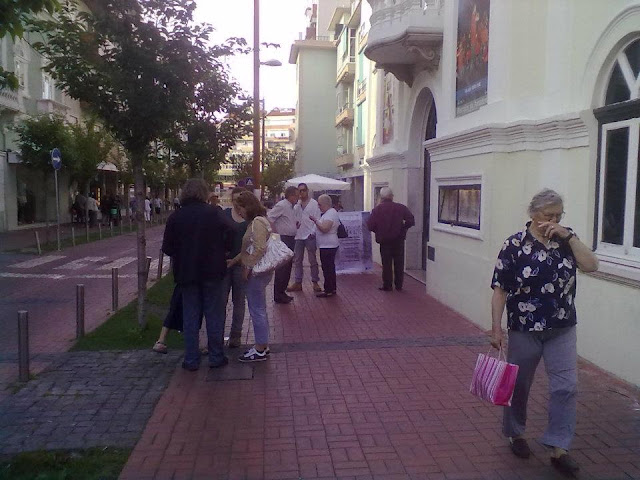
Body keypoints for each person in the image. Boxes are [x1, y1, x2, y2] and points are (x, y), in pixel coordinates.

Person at [490, 188, 599, 477]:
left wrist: (569, 236)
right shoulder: (514, 245)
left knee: (566, 386)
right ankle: (515, 433)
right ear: (532, 214)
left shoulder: (566, 241)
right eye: (548, 215)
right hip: (524, 328)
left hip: (562, 327)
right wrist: (496, 328)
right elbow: (500, 290)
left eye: (558, 216)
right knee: (519, 385)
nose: (553, 221)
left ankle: (559, 446)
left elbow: (592, 266)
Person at [161, 178, 232, 371]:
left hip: (186, 272)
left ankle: (191, 359)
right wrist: (223, 250)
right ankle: (216, 356)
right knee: (214, 314)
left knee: (190, 315)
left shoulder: (176, 217)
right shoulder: (214, 213)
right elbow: (232, 233)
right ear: (204, 193)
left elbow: (167, 248)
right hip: (213, 271)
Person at [227, 191, 272, 362]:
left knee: (256, 309)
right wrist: (235, 261)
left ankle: (260, 348)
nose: (239, 212)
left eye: (240, 208)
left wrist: (247, 266)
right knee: (259, 308)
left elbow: (259, 248)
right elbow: (248, 248)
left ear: (248, 207)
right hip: (258, 271)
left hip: (256, 273)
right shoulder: (257, 221)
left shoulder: (257, 222)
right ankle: (263, 344)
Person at [366, 187, 415, 291]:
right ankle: (399, 285)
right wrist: (403, 228)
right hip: (398, 240)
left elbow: (370, 225)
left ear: (381, 197)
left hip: (384, 241)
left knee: (386, 263)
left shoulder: (377, 210)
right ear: (392, 196)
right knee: (399, 263)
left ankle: (387, 285)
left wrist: (378, 231)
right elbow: (411, 220)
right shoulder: (401, 208)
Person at [222, 187, 249, 348]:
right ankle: (217, 335)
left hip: (241, 265)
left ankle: (236, 335)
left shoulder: (249, 218)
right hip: (224, 264)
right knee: (221, 301)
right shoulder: (224, 215)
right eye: (234, 200)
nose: (237, 203)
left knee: (239, 301)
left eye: (240, 200)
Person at [267, 186, 299, 304]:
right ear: (291, 195)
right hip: (284, 238)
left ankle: (282, 291)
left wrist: (294, 225)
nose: (298, 197)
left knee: (288, 266)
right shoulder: (282, 205)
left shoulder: (291, 207)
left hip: (290, 238)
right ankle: (278, 294)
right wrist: (275, 233)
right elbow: (270, 218)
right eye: (296, 195)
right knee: (282, 267)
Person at [288, 183, 321, 293]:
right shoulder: (297, 205)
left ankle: (315, 282)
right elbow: (294, 218)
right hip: (299, 235)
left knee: (312, 260)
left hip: (310, 235)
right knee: (298, 260)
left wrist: (313, 232)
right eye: (299, 191)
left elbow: (318, 218)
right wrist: (295, 225)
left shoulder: (314, 204)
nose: (301, 193)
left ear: (307, 191)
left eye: (303, 190)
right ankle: (298, 282)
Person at [310, 194, 340, 298]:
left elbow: (325, 228)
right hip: (326, 244)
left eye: (320, 204)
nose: (319, 207)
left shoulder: (330, 214)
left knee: (327, 268)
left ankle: (329, 289)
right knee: (329, 267)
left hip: (328, 245)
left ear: (326, 204)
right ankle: (332, 288)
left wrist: (315, 221)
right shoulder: (328, 213)